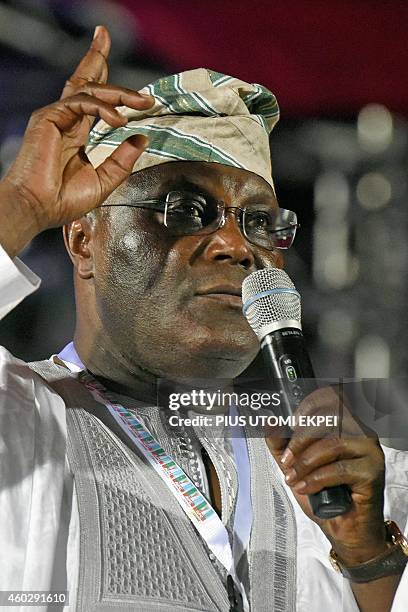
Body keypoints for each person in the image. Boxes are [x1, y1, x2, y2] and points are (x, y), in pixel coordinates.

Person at [0, 25, 407, 612]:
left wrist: (372, 560)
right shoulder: (24, 425)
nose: (236, 245)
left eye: (262, 222)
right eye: (188, 209)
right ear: (85, 239)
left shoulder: (358, 479)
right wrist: (21, 208)